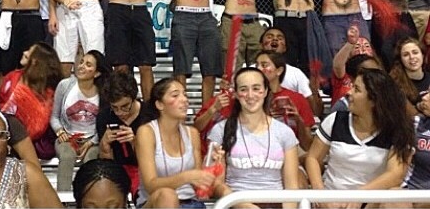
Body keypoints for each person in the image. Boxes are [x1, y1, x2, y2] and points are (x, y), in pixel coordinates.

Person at [305, 69, 415, 203]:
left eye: (356, 89)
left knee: (397, 198)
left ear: (374, 100)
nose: (348, 92)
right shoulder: (335, 120)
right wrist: (321, 195)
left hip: (372, 201)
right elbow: (313, 158)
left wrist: (359, 196)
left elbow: (395, 175)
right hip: (332, 200)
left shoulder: (398, 129)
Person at [207, 67, 300, 208]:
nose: (250, 95)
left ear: (266, 91)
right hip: (236, 203)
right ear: (236, 94)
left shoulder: (284, 133)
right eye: (244, 89)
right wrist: (241, 204)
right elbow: (217, 184)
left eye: (256, 88)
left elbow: (292, 187)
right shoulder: (221, 130)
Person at [134, 77, 216, 209]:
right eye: (175, 95)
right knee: (167, 195)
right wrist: (186, 177)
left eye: (185, 94)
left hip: (191, 203)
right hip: (155, 203)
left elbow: (201, 189)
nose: (184, 100)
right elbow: (150, 185)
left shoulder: (192, 133)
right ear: (159, 104)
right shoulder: (147, 132)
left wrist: (212, 164)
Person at [51, 49, 111, 191]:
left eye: (88, 65)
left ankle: (88, 198)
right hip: (68, 138)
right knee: (67, 155)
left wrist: (92, 142)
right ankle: (62, 200)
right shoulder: (64, 86)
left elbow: (105, 124)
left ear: (97, 73)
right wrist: (59, 131)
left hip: (92, 139)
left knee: (91, 159)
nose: (81, 66)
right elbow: (54, 117)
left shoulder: (103, 92)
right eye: (82, 62)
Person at [0, 42, 61, 153]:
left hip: (29, 143)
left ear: (36, 61)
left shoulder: (47, 91)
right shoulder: (12, 76)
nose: (24, 52)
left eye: (29, 52)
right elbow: (3, 107)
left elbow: (38, 127)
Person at [97, 70, 149, 199]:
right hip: (117, 169)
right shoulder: (104, 117)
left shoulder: (149, 115)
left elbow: (155, 159)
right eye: (115, 107)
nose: (120, 112)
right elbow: (107, 165)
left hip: (145, 170)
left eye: (125, 106)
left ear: (133, 97)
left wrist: (136, 142)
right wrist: (105, 146)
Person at [331, 24, 378, 107]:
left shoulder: (379, 74)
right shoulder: (344, 73)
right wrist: (350, 43)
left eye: (367, 46)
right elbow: (338, 65)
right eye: (357, 47)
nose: (363, 49)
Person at [389, 37, 430, 117]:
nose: (412, 57)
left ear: (422, 55)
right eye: (406, 55)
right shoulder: (395, 84)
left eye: (415, 52)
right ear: (400, 59)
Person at [402, 89, 430, 194]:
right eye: (427, 92)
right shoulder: (414, 124)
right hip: (411, 193)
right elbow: (396, 173)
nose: (424, 97)